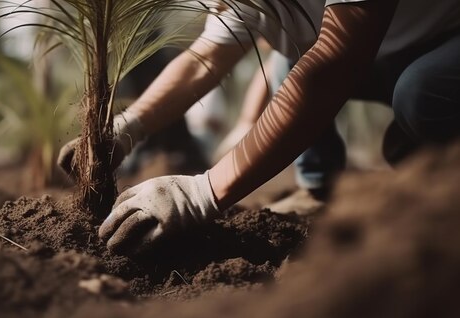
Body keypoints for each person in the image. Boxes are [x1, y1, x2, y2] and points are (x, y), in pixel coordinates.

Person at [59, 0, 460, 256]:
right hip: (388, 50)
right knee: (293, 54)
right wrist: (129, 127)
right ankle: (319, 189)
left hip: (446, 42)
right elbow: (204, 59)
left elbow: (335, 63)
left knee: (421, 93)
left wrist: (202, 193)